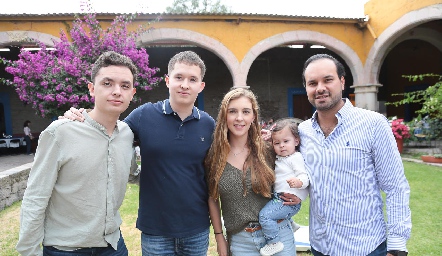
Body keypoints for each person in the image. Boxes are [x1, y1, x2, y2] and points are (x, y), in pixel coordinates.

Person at [63, 51, 215, 255]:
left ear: (201, 86)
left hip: (196, 228)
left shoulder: (208, 124)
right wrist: (79, 115)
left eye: (192, 79)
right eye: (179, 77)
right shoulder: (144, 115)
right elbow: (108, 133)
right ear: (168, 81)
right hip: (155, 230)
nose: (185, 85)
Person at [16, 51, 138, 255]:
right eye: (107, 83)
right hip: (65, 248)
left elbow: (133, 174)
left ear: (132, 93)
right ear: (92, 89)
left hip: (113, 245)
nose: (117, 91)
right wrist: (29, 251)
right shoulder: (60, 132)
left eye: (125, 86)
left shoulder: (127, 135)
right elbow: (36, 196)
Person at [299, 53, 411, 256]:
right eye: (312, 83)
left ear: (342, 82)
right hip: (321, 247)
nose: (320, 88)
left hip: (365, 247)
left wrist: (397, 246)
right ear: (306, 88)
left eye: (328, 79)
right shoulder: (302, 132)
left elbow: (395, 186)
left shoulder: (373, 124)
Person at [205, 88, 299, 256]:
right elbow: (212, 198)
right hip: (241, 242)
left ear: (253, 116)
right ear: (224, 115)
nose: (239, 118)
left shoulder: (269, 150)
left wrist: (298, 192)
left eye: (246, 112)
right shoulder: (214, 156)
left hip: (278, 235)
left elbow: (300, 165)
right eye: (233, 111)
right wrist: (219, 237)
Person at [258, 118, 309, 256]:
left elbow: (304, 177)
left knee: (265, 216)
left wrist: (298, 183)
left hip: (287, 201)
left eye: (286, 141)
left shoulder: (295, 157)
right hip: (280, 198)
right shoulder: (282, 157)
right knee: (273, 208)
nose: (281, 146)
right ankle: (291, 224)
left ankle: (274, 242)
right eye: (277, 143)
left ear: (296, 141)